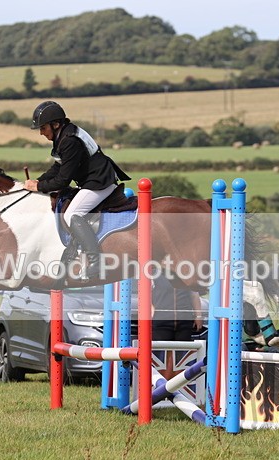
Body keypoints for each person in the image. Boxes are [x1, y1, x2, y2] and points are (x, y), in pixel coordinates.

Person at [23, 101, 129, 278]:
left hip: (99, 182)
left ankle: (97, 262)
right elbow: (58, 167)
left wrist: (39, 187)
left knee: (72, 214)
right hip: (92, 181)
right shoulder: (63, 135)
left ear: (55, 124)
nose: (41, 133)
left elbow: (63, 180)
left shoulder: (70, 141)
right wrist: (39, 180)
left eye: (43, 128)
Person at [151, 272, 204, 342]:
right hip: (161, 323)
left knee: (182, 351)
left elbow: (194, 294)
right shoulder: (154, 274)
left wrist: (198, 316)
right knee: (162, 351)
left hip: (184, 323)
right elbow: (146, 294)